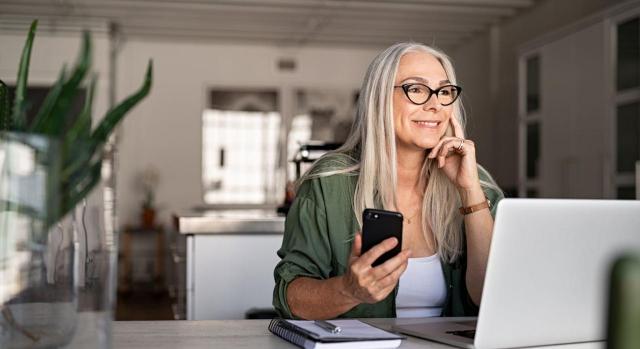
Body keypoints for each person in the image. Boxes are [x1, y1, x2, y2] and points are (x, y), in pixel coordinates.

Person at [273, 42, 504, 320]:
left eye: (444, 92)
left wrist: (470, 192)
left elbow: (495, 297)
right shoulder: (330, 182)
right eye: (416, 89)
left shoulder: (477, 182)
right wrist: (349, 290)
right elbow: (290, 298)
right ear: (379, 98)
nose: (434, 105)